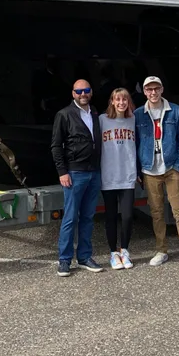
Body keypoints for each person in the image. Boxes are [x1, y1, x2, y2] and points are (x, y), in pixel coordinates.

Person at [135, 76, 179, 270]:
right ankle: (161, 250)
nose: (153, 92)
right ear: (145, 91)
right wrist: (138, 168)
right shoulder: (139, 114)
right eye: (149, 89)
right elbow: (136, 143)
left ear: (162, 89)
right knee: (156, 213)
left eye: (156, 88)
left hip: (171, 168)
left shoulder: (174, 111)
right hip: (150, 169)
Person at [50, 79, 104, 277]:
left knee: (88, 217)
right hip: (75, 172)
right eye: (79, 91)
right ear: (73, 93)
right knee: (70, 217)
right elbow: (56, 145)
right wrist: (62, 172)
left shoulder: (95, 113)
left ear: (91, 92)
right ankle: (64, 260)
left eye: (86, 90)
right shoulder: (64, 115)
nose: (83, 94)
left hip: (94, 172)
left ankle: (84, 257)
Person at [99, 88, 137, 270]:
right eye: (118, 100)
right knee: (111, 216)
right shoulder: (102, 120)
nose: (121, 103)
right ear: (112, 102)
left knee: (128, 216)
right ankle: (113, 253)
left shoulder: (133, 119)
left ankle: (125, 250)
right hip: (109, 175)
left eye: (125, 100)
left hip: (128, 174)